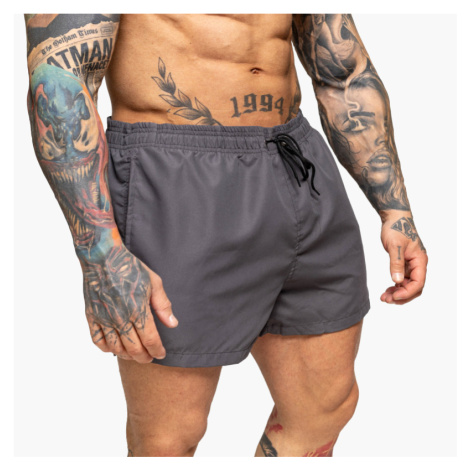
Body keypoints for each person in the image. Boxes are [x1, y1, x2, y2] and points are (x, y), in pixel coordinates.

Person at [24, 14, 428, 457]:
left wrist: (395, 209)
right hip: (176, 176)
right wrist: (100, 252)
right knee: (168, 440)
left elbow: (342, 72)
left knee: (324, 407)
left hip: (297, 163)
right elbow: (61, 74)